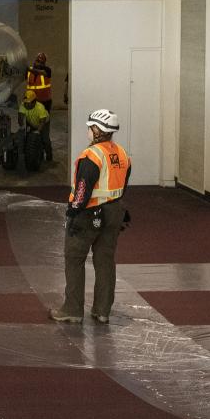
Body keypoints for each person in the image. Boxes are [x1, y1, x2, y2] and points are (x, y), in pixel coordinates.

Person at [50, 109, 132, 325]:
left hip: (89, 214)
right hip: (114, 212)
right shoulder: (122, 154)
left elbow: (82, 191)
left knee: (74, 259)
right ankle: (102, 310)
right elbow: (122, 186)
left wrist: (73, 213)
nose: (87, 130)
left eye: (89, 127)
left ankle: (73, 310)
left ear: (97, 130)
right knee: (105, 261)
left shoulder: (91, 156)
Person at [19, 89, 53, 164]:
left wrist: (38, 131)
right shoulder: (23, 105)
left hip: (44, 123)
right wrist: (21, 125)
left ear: (34, 102)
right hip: (31, 122)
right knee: (30, 138)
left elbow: (43, 121)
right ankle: (37, 155)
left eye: (28, 103)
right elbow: (20, 117)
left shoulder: (40, 108)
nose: (26, 105)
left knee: (45, 139)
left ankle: (49, 155)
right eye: (25, 103)